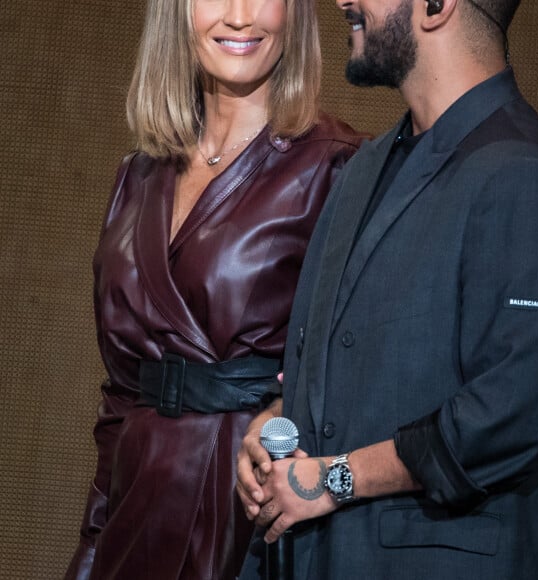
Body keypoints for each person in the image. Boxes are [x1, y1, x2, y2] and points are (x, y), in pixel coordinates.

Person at [236, 0, 538, 578]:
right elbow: (349, 371)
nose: (344, 1)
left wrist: (334, 479)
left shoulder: (528, 176)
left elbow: (509, 417)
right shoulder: (364, 169)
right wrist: (275, 423)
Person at [64, 0, 365, 577]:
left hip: (253, 518)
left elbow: (362, 382)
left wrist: (283, 410)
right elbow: (121, 399)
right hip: (137, 511)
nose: (239, 15)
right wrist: (93, 547)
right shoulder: (137, 175)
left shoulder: (342, 168)